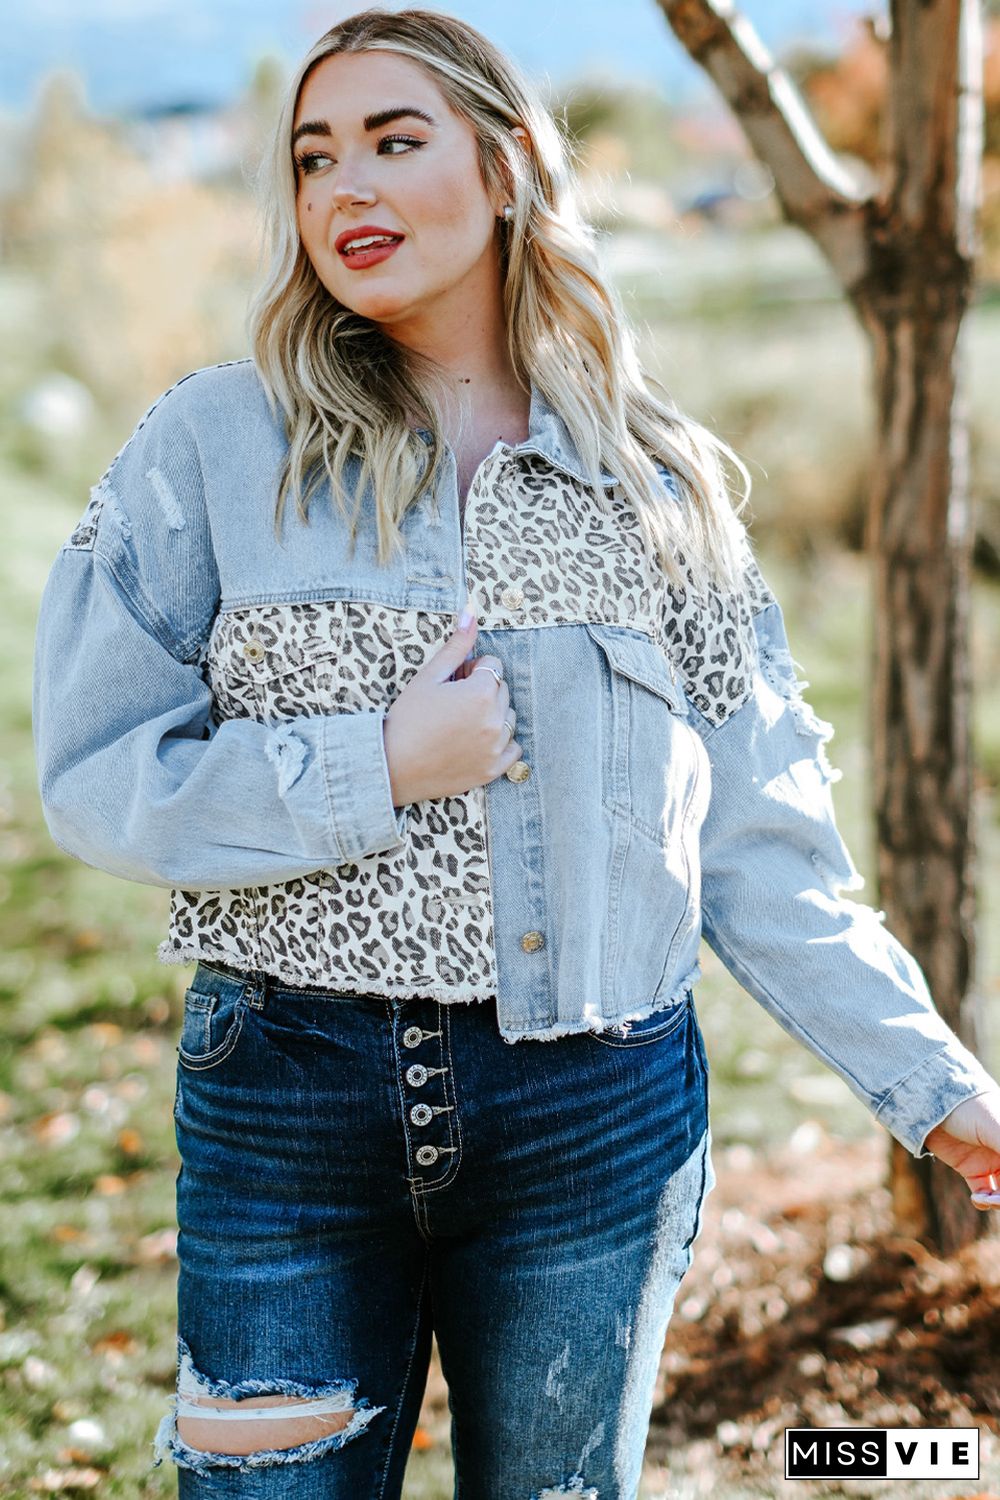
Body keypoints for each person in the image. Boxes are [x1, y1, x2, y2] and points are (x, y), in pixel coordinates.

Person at [31, 8, 1000, 1497]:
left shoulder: (657, 483)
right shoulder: (214, 446)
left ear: (506, 170)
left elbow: (761, 838)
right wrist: (376, 764)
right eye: (313, 158)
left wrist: (929, 1082)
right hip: (288, 1099)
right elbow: (97, 772)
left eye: (394, 141)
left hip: (593, 1117)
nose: (345, 186)